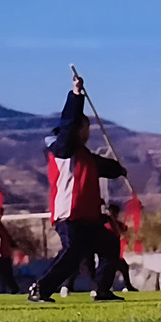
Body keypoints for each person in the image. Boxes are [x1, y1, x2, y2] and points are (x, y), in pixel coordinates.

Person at [28, 73, 128, 303]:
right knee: (73, 252)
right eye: (86, 127)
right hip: (69, 215)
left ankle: (102, 290)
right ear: (78, 129)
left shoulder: (86, 157)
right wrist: (76, 95)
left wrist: (119, 169)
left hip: (88, 218)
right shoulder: (63, 150)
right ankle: (40, 289)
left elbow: (105, 167)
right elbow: (68, 123)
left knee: (110, 245)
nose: (88, 132)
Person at [103, 204, 138, 292]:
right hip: (108, 251)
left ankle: (127, 286)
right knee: (110, 269)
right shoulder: (106, 224)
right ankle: (104, 287)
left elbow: (125, 229)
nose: (115, 215)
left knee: (123, 267)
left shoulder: (116, 224)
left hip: (115, 251)